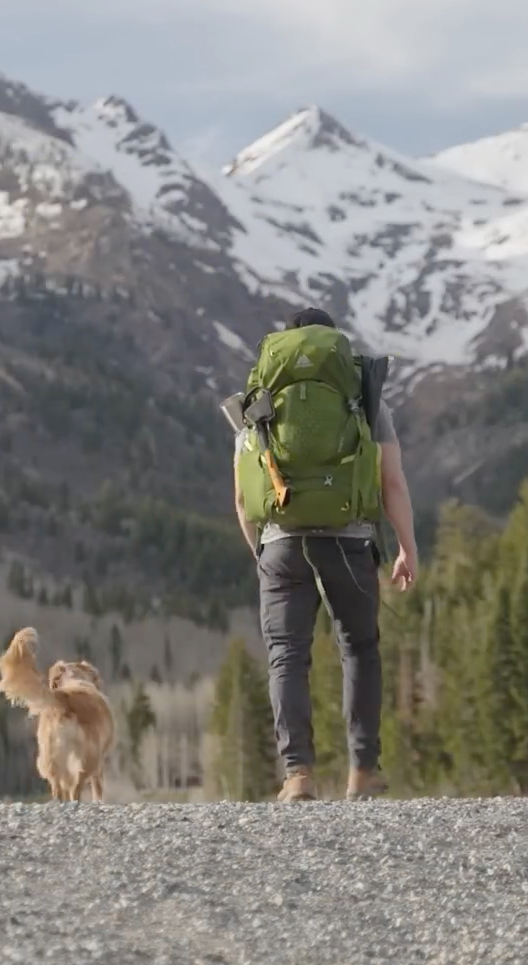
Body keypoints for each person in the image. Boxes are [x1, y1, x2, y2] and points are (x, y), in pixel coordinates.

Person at [230, 306, 417, 802]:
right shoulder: (360, 394)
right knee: (359, 648)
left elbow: (245, 498)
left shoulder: (258, 397)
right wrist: (406, 547)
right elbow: (392, 481)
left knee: (287, 655)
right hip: (349, 538)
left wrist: (263, 554)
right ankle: (363, 773)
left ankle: (298, 776)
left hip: (280, 542)